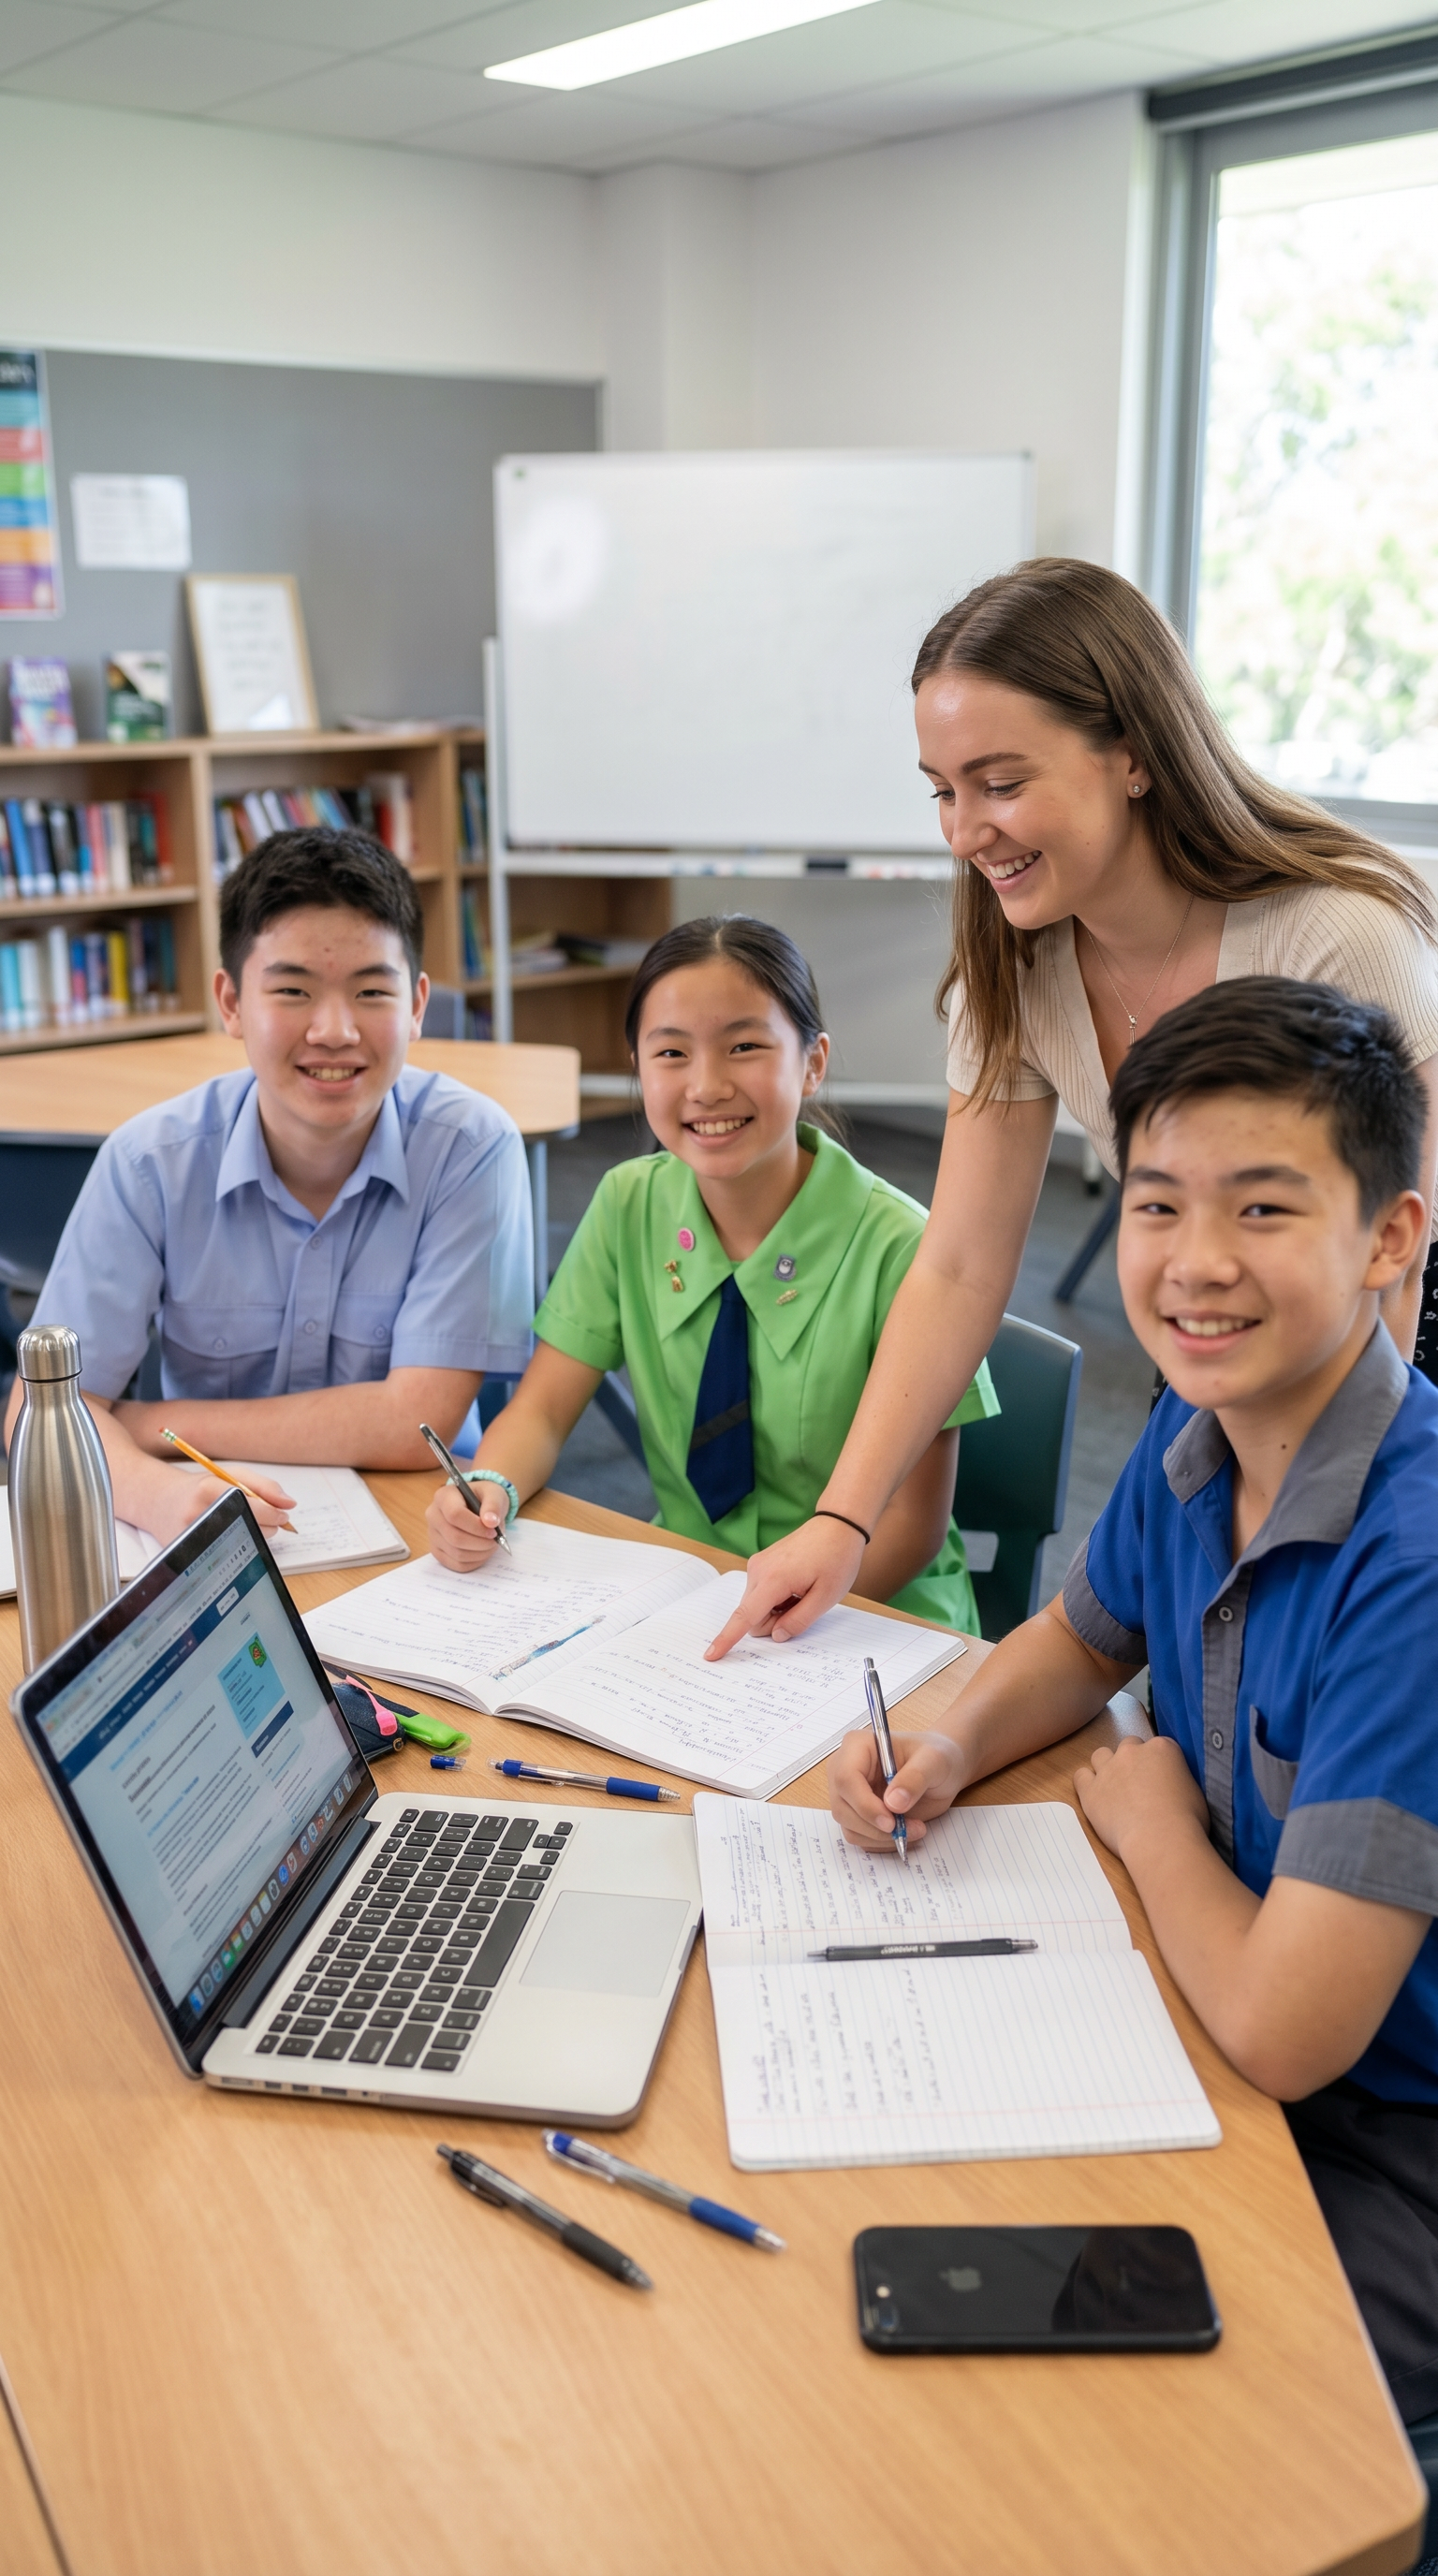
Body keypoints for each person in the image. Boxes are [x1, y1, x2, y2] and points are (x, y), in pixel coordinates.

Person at [829, 977, 1438, 2425]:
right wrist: (953, 1738)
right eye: (1157, 1205)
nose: (1194, 1265)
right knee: (914, 2219)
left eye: (1266, 1210)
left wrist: (1157, 1820)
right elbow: (1079, 1639)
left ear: (1390, 1239)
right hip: (1220, 2013)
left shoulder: (1414, 1566)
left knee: (1109, 2407)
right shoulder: (1201, 1414)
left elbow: (1292, 2033)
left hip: (1392, 2127)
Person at [707, 557, 1438, 1659]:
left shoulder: (1334, 934)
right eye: (942, 790)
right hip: (1227, 1304)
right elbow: (957, 1267)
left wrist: (1321, 1540)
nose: (963, 831)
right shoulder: (1016, 967)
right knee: (1178, 1657)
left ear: (1133, 755)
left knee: (1333, 1655)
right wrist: (842, 1519)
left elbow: (1391, 1268)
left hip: (1391, 1316)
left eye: (1000, 783)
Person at [426, 915, 997, 1632]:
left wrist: (770, 1619)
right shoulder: (628, 1202)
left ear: (813, 1062)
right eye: (671, 1052)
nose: (706, 1086)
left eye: (745, 1046)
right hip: (693, 1599)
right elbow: (540, 1412)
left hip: (871, 1611)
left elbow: (912, 1527)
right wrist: (488, 1485)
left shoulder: (905, 1248)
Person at [15, 827, 534, 1544]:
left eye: (370, 991)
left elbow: (419, 1423)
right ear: (230, 1002)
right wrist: (163, 1498)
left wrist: (150, 1423)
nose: (334, 1029)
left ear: (416, 1004)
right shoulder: (150, 1162)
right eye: (292, 990)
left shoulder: (471, 1148)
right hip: (210, 1523)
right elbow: (38, 1415)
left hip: (425, 1534)